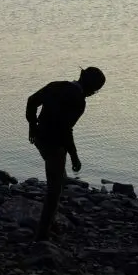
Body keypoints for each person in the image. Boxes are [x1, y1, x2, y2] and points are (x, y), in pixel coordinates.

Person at [26, 66, 107, 242]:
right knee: (54, 192)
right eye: (95, 90)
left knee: (59, 177)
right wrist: (74, 156)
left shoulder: (56, 85)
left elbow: (31, 101)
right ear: (92, 90)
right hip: (54, 145)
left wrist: (32, 125)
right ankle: (42, 236)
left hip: (39, 138)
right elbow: (65, 130)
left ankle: (52, 221)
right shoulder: (79, 101)